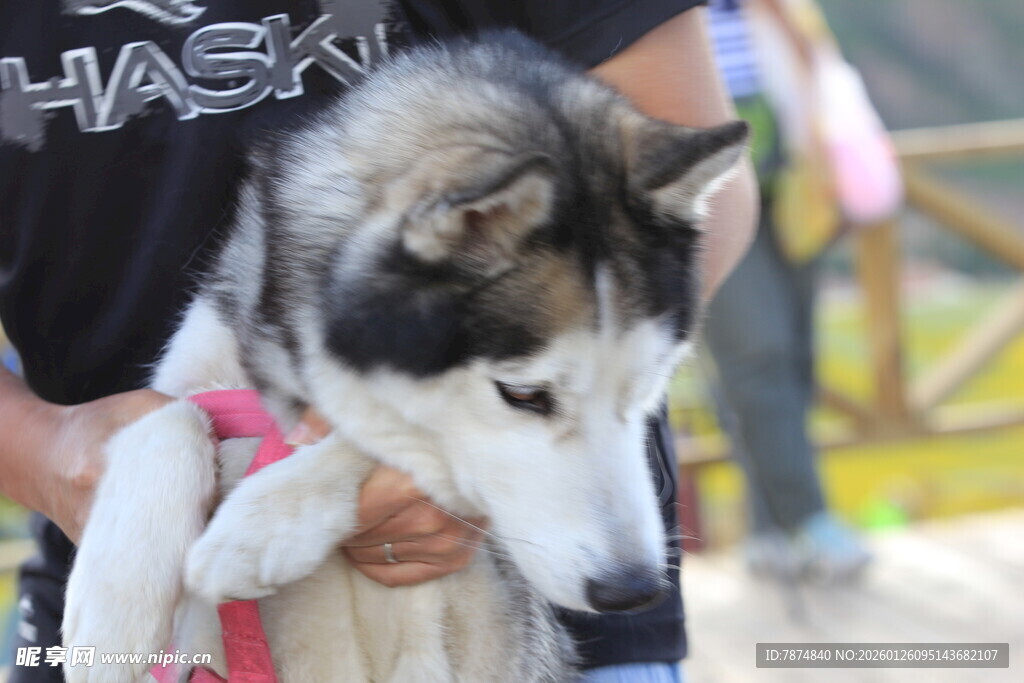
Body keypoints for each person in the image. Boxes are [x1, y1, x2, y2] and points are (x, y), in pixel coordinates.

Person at [0, 2, 757, 681]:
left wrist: (423, 460)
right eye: (527, 394)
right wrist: (48, 448)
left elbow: (697, 166)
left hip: (535, 625)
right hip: (126, 605)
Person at [703, 0, 871, 581]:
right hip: (711, 186)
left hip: (798, 183)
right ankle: (809, 521)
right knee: (756, 354)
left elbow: (819, 76)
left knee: (793, 359)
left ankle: (768, 528)